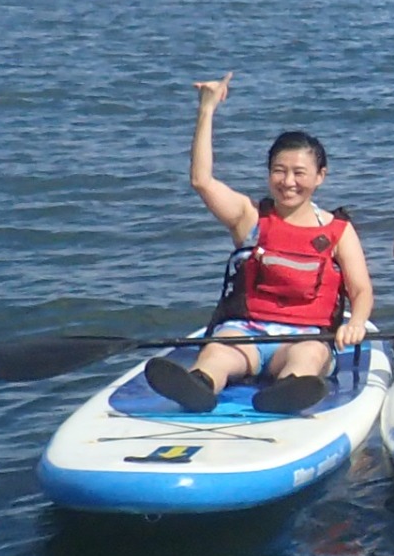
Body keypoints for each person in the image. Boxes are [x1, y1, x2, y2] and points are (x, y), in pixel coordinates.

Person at [143, 74, 374, 415]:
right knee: (219, 351)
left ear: (320, 176)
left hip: (306, 337)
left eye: (299, 172)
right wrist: (206, 109)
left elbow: (361, 290)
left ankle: (289, 390)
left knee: (308, 355)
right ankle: (199, 385)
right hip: (247, 333)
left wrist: (356, 323)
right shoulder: (249, 218)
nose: (288, 181)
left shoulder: (338, 231)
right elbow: (201, 180)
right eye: (279, 171)